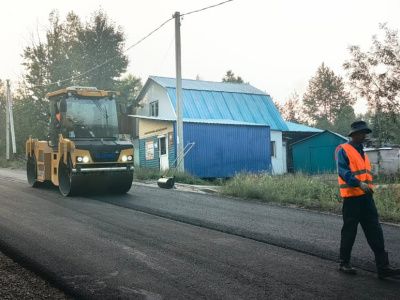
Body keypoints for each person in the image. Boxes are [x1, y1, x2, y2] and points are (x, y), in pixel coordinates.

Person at [336, 121, 400, 279]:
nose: (364, 136)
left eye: (365, 133)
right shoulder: (342, 149)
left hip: (366, 198)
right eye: (361, 133)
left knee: (375, 231)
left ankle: (383, 267)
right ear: (354, 134)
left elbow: (365, 174)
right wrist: (358, 183)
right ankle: (344, 263)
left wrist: (368, 188)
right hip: (352, 199)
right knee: (349, 231)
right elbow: (343, 172)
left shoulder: (363, 152)